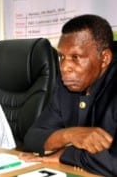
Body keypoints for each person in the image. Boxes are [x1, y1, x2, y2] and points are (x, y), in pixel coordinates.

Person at [21, 14, 117, 176]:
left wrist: (66, 155)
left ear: (105, 58)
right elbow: (33, 138)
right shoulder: (67, 83)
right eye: (61, 57)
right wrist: (70, 135)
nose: (64, 67)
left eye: (76, 57)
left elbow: (113, 163)